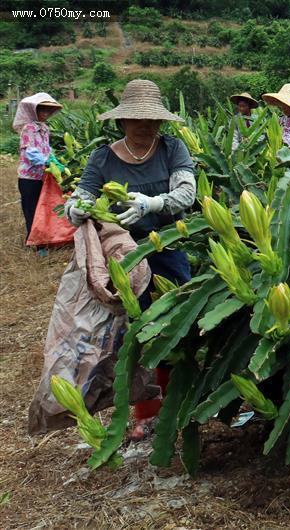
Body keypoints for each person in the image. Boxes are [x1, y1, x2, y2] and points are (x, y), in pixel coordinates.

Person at [63, 79, 197, 440]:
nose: (145, 125)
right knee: (131, 334)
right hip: (122, 257)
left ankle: (180, 403)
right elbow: (79, 196)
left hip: (167, 250)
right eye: (137, 118)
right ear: (122, 121)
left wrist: (153, 204)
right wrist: (75, 208)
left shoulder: (173, 149)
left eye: (152, 119)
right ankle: (145, 411)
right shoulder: (103, 157)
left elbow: (187, 192)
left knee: (175, 326)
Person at [13, 93, 62, 244]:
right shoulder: (28, 128)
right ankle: (33, 241)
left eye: (48, 111)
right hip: (29, 178)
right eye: (42, 110)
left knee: (43, 208)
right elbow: (30, 153)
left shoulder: (45, 128)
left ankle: (43, 238)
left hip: (43, 176)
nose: (45, 114)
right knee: (31, 209)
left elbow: (46, 149)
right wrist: (47, 162)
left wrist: (55, 160)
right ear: (34, 111)